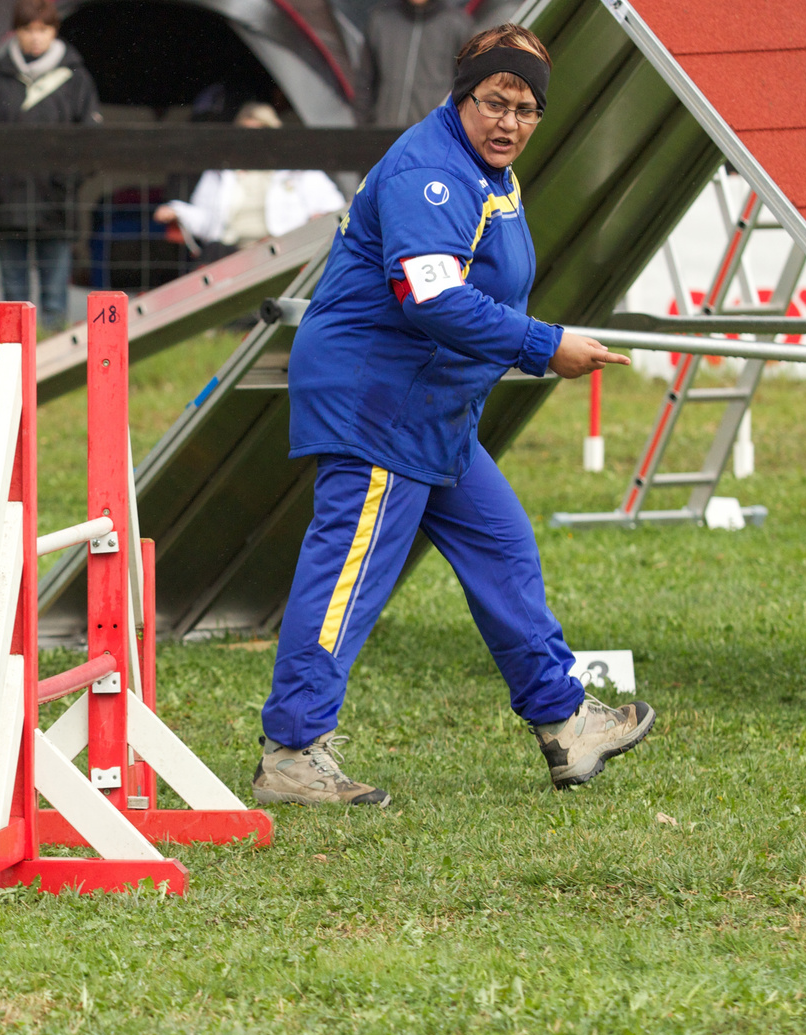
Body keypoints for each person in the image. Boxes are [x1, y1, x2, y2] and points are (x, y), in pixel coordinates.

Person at [252, 24, 656, 807]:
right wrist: (544, 346)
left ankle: (566, 721)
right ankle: (292, 753)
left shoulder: (485, 167)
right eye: (493, 102)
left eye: (526, 109)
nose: (508, 122)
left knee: (503, 549)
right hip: (378, 401)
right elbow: (431, 297)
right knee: (346, 577)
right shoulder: (430, 172)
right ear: (460, 94)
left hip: (433, 403)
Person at [0, 0, 101, 331]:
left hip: (56, 200)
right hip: (4, 200)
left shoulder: (76, 79)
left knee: (55, 294)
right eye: (28, 29)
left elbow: (93, 142)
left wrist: (67, 181)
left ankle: (54, 358)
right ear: (17, 32)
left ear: (54, 31)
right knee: (13, 293)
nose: (36, 37)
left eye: (43, 29)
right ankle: (13, 354)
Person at [153, 103, 347, 264]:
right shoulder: (221, 172)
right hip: (231, 255)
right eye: (245, 133)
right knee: (214, 253)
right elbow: (205, 221)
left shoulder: (298, 171)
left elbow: (335, 208)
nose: (252, 141)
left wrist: (318, 220)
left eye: (258, 132)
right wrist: (177, 211)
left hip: (285, 253)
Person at [355, 0, 474, 128]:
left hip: (433, 137)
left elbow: (467, 87)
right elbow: (364, 83)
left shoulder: (458, 24)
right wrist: (365, 129)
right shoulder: (380, 20)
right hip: (383, 134)